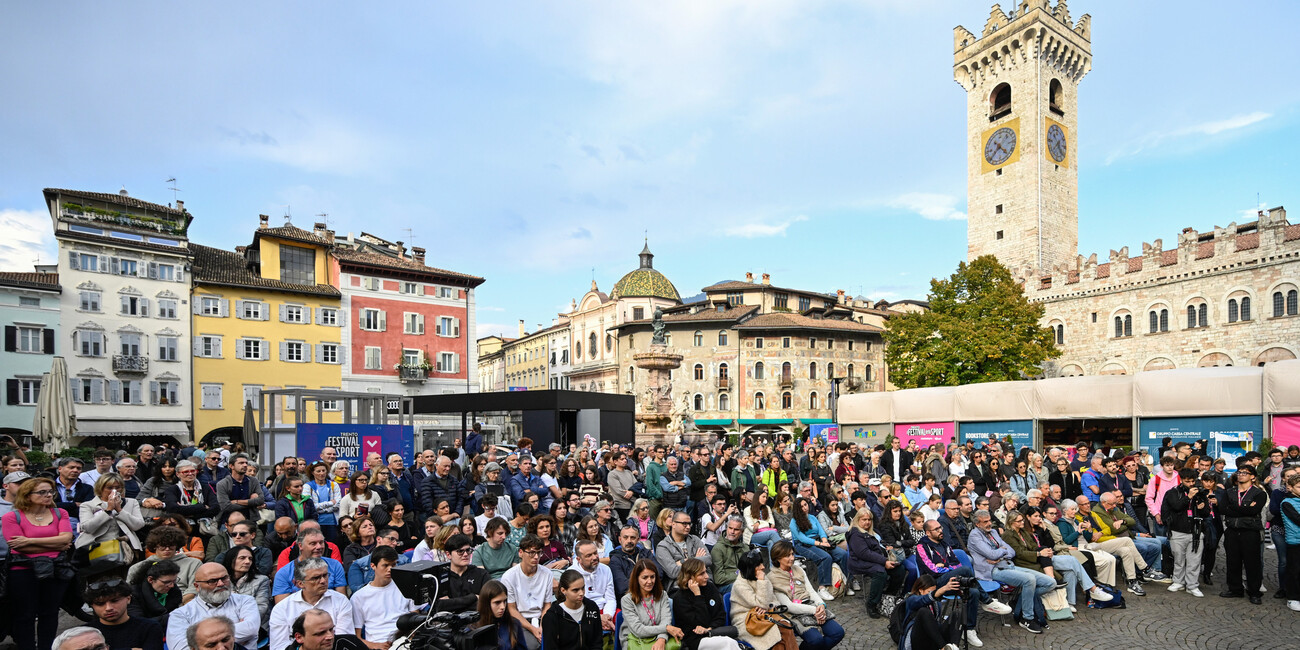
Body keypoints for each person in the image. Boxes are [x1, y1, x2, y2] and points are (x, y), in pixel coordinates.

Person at [4, 475, 75, 650]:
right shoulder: (11, 517)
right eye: (42, 492)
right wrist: (55, 543)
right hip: (23, 571)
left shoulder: (60, 513)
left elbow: (66, 539)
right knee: (25, 614)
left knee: (50, 613)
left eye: (50, 492)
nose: (49, 495)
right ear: (28, 495)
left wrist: (28, 541)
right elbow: (17, 548)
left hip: (55, 569)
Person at [966, 510, 1053, 634]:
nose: (989, 523)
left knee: (1050, 582)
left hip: (1006, 564)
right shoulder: (974, 535)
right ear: (977, 524)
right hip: (991, 571)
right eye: (985, 522)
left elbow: (1012, 552)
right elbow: (991, 554)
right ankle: (1027, 618)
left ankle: (1017, 602)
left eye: (990, 520)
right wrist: (1001, 552)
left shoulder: (993, 532)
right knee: (1029, 580)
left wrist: (999, 556)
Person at [766, 541, 844, 650]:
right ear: (778, 558)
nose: (792, 558)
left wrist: (821, 604)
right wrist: (815, 610)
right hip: (794, 613)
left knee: (837, 632)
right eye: (787, 556)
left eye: (792, 554)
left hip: (812, 606)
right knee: (815, 640)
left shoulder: (799, 570)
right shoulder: (772, 578)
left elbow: (811, 591)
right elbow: (789, 606)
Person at [167, 563, 261, 650]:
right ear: (197, 586)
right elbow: (180, 648)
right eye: (212, 581)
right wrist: (233, 633)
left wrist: (202, 641)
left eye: (224, 578)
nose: (220, 584)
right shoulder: (180, 615)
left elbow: (251, 629)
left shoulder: (245, 601)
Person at [269, 558, 354, 650]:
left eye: (325, 575)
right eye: (316, 578)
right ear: (300, 584)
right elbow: (279, 646)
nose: (323, 581)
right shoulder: (282, 608)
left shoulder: (340, 600)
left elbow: (343, 640)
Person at [351, 546, 420, 648]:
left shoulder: (405, 587)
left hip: (405, 640)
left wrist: (411, 637)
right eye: (385, 565)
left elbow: (415, 618)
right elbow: (356, 637)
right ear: (373, 566)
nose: (390, 569)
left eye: (393, 564)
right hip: (379, 643)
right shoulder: (359, 597)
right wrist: (375, 646)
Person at [1219, 458, 1267, 604]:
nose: (1241, 475)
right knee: (1233, 562)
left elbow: (1254, 510)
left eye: (1245, 473)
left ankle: (1254, 592)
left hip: (1250, 531)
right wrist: (1244, 509)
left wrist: (1234, 508)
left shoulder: (1259, 493)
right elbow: (1222, 509)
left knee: (1252, 563)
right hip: (1232, 530)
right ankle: (1235, 589)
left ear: (1253, 476)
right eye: (1239, 472)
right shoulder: (1230, 492)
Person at [846, 507, 904, 618]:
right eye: (864, 519)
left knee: (899, 570)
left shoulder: (872, 532)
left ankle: (888, 595)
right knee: (880, 572)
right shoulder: (855, 534)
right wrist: (884, 561)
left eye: (869, 519)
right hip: (859, 562)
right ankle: (872, 603)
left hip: (874, 559)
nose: (867, 522)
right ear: (858, 520)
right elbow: (864, 553)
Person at [77, 473, 147, 563]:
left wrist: (120, 510)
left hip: (126, 547)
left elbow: (138, 525)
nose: (114, 491)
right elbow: (87, 528)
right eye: (109, 488)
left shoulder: (132, 502)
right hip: (98, 548)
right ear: (100, 488)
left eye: (118, 487)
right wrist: (108, 510)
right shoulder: (87, 505)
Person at [672, 558, 738, 650]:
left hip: (714, 632)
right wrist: (697, 596)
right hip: (695, 640)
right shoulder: (680, 598)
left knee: (729, 642)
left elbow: (721, 615)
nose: (707, 576)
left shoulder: (710, 587)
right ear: (690, 577)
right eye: (701, 574)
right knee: (728, 643)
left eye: (705, 572)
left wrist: (709, 628)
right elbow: (700, 623)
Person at [501, 535, 552, 650]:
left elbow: (547, 605)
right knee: (532, 645)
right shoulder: (509, 576)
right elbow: (511, 609)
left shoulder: (547, 573)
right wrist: (533, 629)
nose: (536, 557)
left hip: (541, 618)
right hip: (519, 620)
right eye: (531, 553)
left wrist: (542, 626)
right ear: (521, 552)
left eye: (539, 553)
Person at [789, 497, 847, 600]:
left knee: (842, 554)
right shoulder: (794, 522)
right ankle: (822, 588)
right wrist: (819, 543)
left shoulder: (812, 517)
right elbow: (802, 538)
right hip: (803, 545)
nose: (804, 508)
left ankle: (847, 583)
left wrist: (824, 540)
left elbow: (821, 531)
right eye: (801, 506)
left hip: (819, 541)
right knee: (825, 557)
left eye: (805, 505)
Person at [84, 576, 164, 650]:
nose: (108, 608)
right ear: (92, 606)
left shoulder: (149, 628)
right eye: (100, 604)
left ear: (128, 599)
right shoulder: (83, 633)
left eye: (114, 601)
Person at [621, 559, 684, 650]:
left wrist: (661, 638)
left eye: (652, 577)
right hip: (636, 641)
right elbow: (638, 630)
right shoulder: (627, 600)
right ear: (637, 579)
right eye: (645, 577)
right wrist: (666, 628)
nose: (650, 581)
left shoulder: (662, 595)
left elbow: (666, 620)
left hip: (659, 638)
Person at [273, 528, 348, 602]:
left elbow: (341, 600)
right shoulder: (284, 573)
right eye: (313, 543)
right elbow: (283, 607)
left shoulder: (334, 565)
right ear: (300, 546)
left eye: (321, 542)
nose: (319, 547)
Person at [728, 550, 784, 650]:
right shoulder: (740, 585)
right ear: (750, 568)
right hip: (745, 620)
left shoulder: (761, 576)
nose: (763, 567)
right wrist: (761, 582)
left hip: (763, 614)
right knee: (777, 633)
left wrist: (769, 607)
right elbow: (762, 603)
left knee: (785, 626)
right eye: (758, 564)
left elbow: (774, 600)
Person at [541, 569, 604, 650]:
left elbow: (597, 643)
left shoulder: (592, 607)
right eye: (575, 590)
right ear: (563, 590)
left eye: (583, 588)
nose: (581, 593)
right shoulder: (552, 616)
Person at [897, 574, 963, 650]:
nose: (933, 594)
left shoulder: (936, 603)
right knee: (924, 611)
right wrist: (941, 590)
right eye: (929, 591)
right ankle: (944, 648)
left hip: (933, 637)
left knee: (957, 614)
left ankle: (954, 647)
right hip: (918, 639)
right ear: (920, 590)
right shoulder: (912, 600)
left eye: (933, 591)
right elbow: (923, 600)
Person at [222, 545, 271, 629]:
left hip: (255, 627)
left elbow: (262, 607)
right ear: (230, 560)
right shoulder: (221, 581)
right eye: (242, 558)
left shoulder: (261, 580)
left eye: (250, 559)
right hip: (225, 626)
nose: (247, 561)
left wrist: (244, 623)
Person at [571, 540, 617, 629]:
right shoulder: (572, 574)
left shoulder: (606, 569)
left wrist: (608, 616)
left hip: (605, 610)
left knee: (621, 617)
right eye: (589, 555)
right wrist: (598, 617)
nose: (595, 557)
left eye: (595, 553)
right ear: (579, 559)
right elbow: (575, 606)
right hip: (583, 613)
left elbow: (610, 598)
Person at [656, 509, 711, 581]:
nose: (688, 527)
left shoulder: (695, 539)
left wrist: (682, 562)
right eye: (684, 524)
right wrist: (697, 560)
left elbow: (708, 560)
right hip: (680, 586)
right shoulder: (663, 546)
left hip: (703, 581)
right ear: (673, 524)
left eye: (689, 524)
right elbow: (673, 572)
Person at [128, 559, 183, 629]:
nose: (171, 585)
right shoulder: (134, 594)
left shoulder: (174, 592)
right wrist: (173, 616)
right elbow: (139, 623)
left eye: (174, 581)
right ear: (151, 580)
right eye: (166, 582)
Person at [610, 524, 660, 601]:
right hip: (631, 599)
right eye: (625, 537)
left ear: (638, 540)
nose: (629, 541)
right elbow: (622, 586)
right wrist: (646, 585)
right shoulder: (615, 559)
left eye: (632, 538)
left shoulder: (646, 554)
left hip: (651, 594)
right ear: (620, 540)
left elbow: (659, 573)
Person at [476, 579, 529, 650]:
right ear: (486, 603)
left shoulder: (514, 623)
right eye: (497, 602)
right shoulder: (474, 629)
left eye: (505, 601)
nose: (503, 607)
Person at [711, 517, 747, 594]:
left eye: (736, 529)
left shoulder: (745, 548)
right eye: (730, 528)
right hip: (725, 586)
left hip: (743, 581)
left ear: (742, 531)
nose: (732, 532)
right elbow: (718, 579)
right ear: (726, 528)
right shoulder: (718, 548)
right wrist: (740, 575)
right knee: (742, 586)